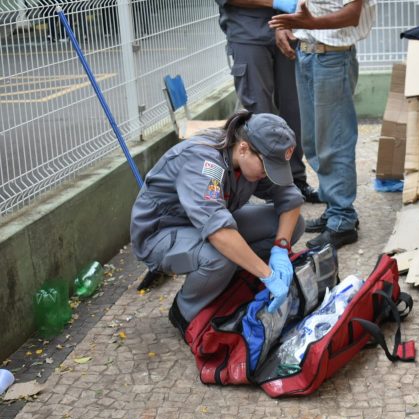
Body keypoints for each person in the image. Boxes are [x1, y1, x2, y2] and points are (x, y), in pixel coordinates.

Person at [130, 111, 305, 340]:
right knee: (219, 256)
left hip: (205, 223)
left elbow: (290, 198)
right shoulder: (205, 163)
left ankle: (230, 283)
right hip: (161, 233)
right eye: (267, 167)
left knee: (293, 225)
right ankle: (185, 312)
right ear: (243, 148)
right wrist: (267, 274)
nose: (268, 174)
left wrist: (281, 248)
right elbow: (218, 231)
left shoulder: (250, 158)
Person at [269, 0, 376, 249]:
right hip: (307, 52)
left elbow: (352, 14)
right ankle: (334, 207)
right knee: (313, 142)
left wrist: (309, 23)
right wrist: (286, 25)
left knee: (334, 142)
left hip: (333, 57)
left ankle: (343, 220)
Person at [214, 0, 321, 203]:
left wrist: (285, 19)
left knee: (294, 109)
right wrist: (277, 2)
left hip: (290, 28)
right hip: (248, 32)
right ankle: (271, 189)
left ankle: (295, 180)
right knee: (258, 116)